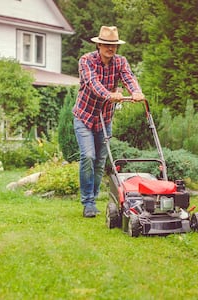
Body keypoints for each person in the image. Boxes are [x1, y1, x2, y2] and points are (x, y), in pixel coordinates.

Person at [73, 26, 145, 218]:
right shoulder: (86, 61)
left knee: (100, 162)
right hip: (84, 117)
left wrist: (136, 92)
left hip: (104, 119)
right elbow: (92, 83)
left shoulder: (120, 62)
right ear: (99, 44)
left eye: (113, 45)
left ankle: (93, 200)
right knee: (88, 156)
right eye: (106, 44)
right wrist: (109, 95)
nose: (110, 48)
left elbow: (128, 77)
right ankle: (87, 202)